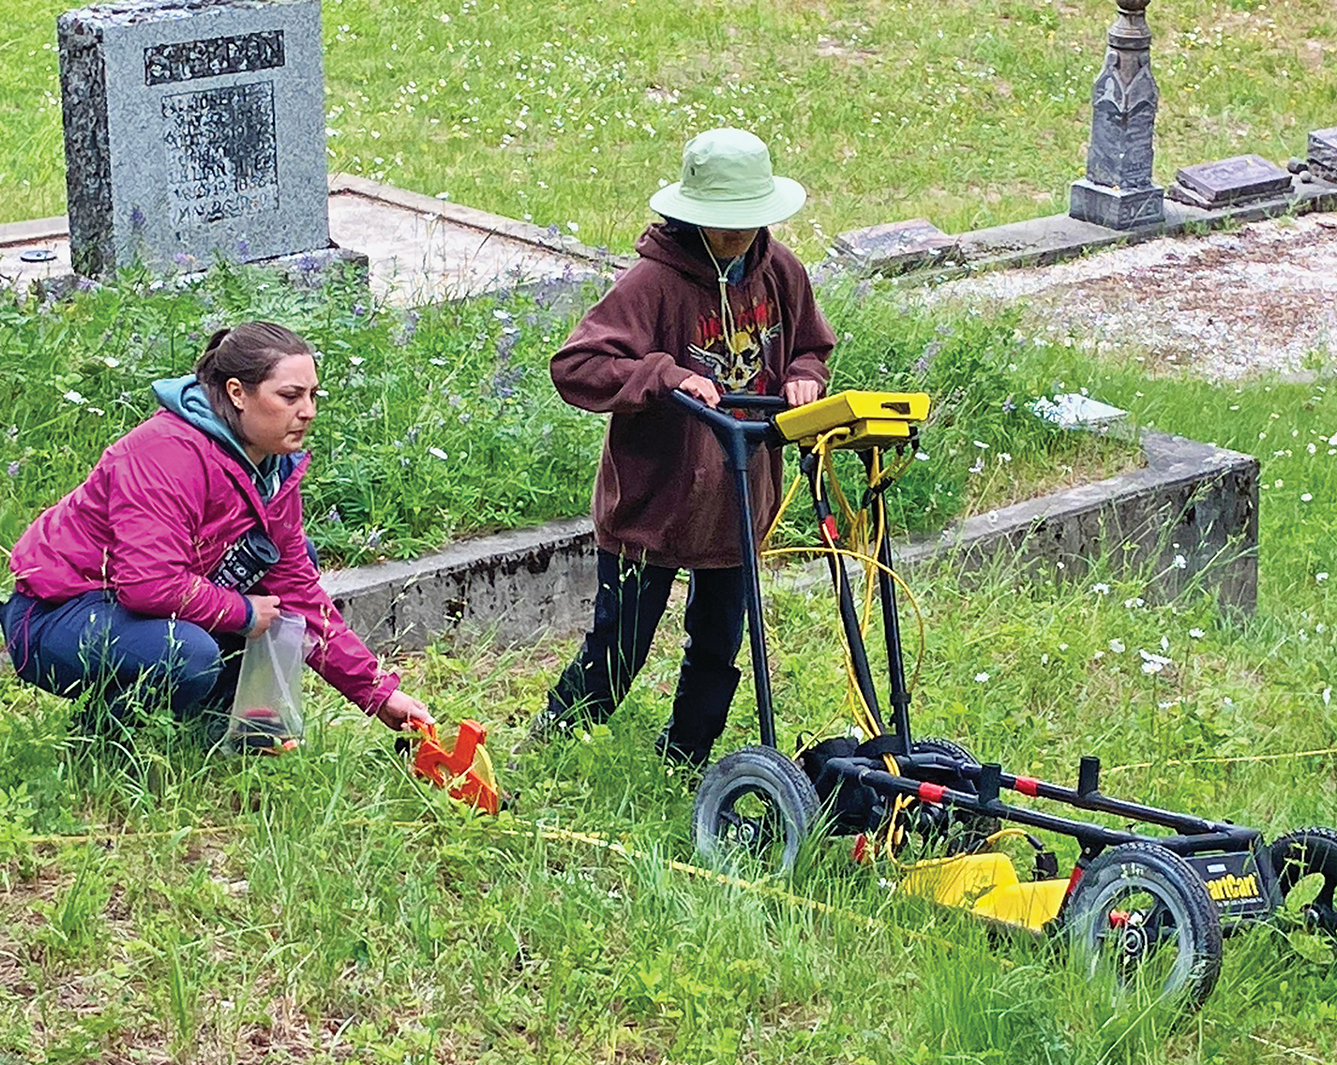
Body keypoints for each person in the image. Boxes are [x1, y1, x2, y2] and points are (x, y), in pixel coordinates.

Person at [530, 127, 836, 767]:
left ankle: (687, 757)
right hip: (655, 504)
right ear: (691, 215)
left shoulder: (780, 272)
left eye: (750, 222)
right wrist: (665, 376)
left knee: (720, 642)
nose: (740, 236)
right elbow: (578, 364)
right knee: (623, 640)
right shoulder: (651, 283)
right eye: (726, 224)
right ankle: (555, 742)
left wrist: (805, 375)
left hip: (737, 500)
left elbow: (810, 344)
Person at [0, 321, 430, 745]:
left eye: (313, 395)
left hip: (131, 606)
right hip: (57, 614)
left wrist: (380, 693)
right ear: (237, 393)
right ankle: (103, 738)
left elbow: (299, 592)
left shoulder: (270, 466)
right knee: (188, 653)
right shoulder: (166, 451)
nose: (309, 411)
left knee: (288, 566)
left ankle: (207, 732)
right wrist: (242, 612)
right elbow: (147, 583)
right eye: (290, 396)